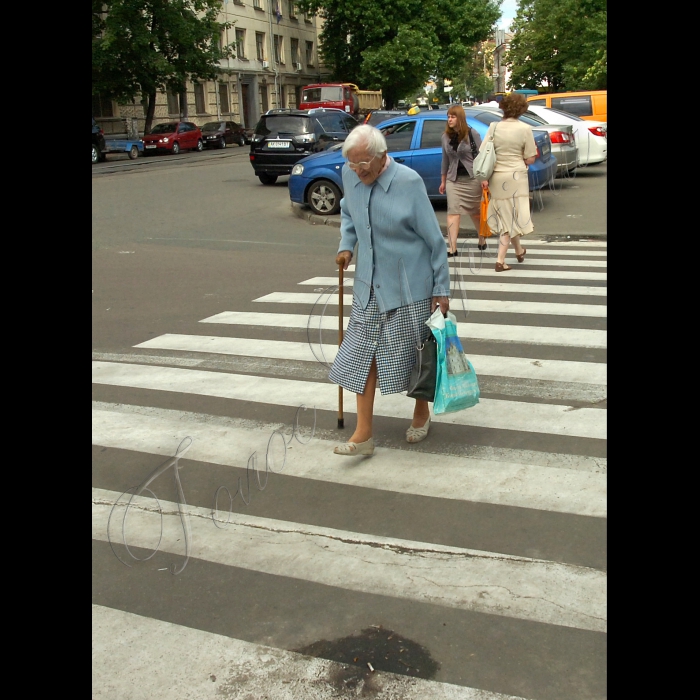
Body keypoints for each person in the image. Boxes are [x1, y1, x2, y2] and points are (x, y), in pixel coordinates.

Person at [329, 124, 450, 456]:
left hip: (410, 284)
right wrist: (346, 245)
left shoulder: (408, 183)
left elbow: (434, 241)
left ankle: (421, 412)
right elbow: (348, 214)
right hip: (369, 284)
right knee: (361, 355)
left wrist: (441, 289)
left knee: (416, 357)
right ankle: (364, 434)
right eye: (352, 165)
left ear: (382, 157)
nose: (357, 172)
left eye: (362, 165)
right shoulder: (350, 174)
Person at [479, 92, 537, 272]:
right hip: (516, 176)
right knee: (510, 219)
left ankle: (519, 251)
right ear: (521, 110)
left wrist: (485, 179)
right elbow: (530, 159)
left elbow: (484, 152)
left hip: (497, 176)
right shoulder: (525, 129)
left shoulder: (494, 127)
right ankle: (500, 260)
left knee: (506, 215)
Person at [439, 105, 484, 256]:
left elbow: (481, 157)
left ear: (460, 118)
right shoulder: (445, 137)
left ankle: (481, 238)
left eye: (452, 116)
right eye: (448, 117)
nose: (449, 119)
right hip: (454, 180)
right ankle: (452, 248)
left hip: (472, 179)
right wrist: (443, 181)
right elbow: (445, 160)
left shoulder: (472, 134)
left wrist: (484, 179)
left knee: (476, 212)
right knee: (453, 212)